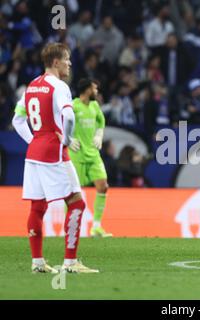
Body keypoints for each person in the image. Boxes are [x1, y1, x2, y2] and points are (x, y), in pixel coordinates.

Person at [12, 43, 98, 273]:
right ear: (56, 62)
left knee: (37, 207)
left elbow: (17, 121)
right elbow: (68, 115)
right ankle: (70, 262)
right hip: (54, 152)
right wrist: (67, 139)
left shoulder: (31, 86)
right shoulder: (59, 86)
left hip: (34, 154)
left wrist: (34, 140)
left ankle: (37, 262)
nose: (70, 63)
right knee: (77, 203)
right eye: (67, 59)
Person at [68, 78, 112, 237]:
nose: (97, 91)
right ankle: (71, 228)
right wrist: (68, 139)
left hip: (93, 153)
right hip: (76, 154)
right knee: (74, 193)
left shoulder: (94, 106)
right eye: (95, 88)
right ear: (87, 89)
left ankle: (96, 227)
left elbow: (101, 121)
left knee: (103, 186)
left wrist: (99, 135)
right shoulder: (73, 106)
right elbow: (60, 122)